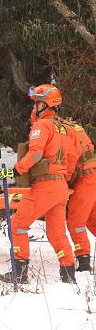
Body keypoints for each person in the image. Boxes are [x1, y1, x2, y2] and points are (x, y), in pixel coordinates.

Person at [0, 84, 76, 283]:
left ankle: (20, 272)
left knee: (18, 223)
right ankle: (68, 274)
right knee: (56, 232)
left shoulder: (42, 125)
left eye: (36, 103)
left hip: (45, 186)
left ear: (45, 104)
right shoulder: (66, 128)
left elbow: (36, 154)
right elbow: (73, 158)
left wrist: (15, 170)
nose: (33, 108)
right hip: (60, 188)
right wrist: (63, 177)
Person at [57, 116, 96, 272]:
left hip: (85, 179)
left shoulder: (61, 130)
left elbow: (71, 156)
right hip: (91, 174)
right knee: (92, 220)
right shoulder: (72, 125)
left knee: (75, 222)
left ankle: (84, 260)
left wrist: (64, 179)